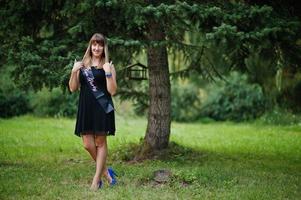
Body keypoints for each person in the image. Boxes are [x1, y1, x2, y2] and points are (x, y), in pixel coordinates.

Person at [68, 33, 117, 190]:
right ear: (90, 46)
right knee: (88, 144)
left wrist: (108, 72)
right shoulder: (82, 64)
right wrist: (73, 71)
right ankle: (106, 173)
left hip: (102, 107)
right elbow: (73, 88)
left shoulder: (108, 65)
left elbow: (113, 90)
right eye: (94, 44)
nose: (97, 48)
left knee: (100, 143)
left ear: (104, 47)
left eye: (100, 45)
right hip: (86, 108)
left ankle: (96, 180)